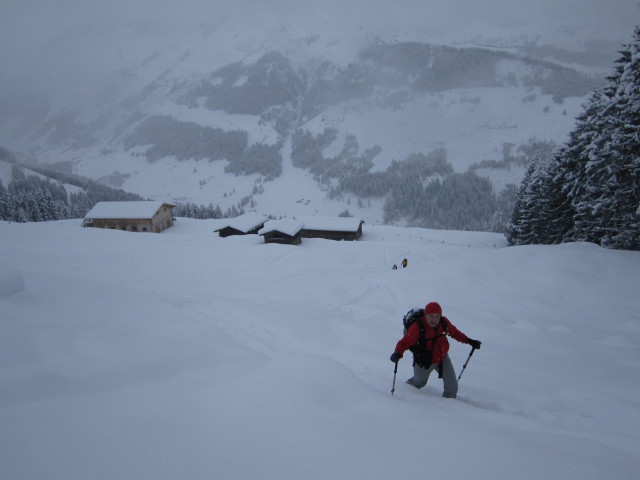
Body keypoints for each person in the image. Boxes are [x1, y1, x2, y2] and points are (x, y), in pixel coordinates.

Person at [389, 302, 481, 398]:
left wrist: (469, 341)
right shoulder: (418, 327)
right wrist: (398, 353)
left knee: (452, 387)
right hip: (424, 361)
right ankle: (405, 387)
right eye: (431, 316)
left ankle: (448, 408)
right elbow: (404, 342)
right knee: (419, 383)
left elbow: (455, 333)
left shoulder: (443, 322)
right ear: (426, 315)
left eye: (437, 316)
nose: (434, 319)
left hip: (442, 358)